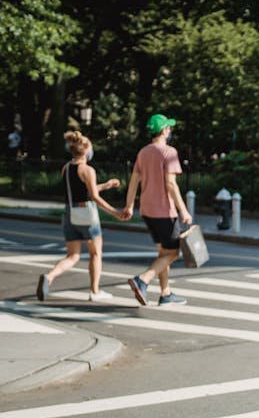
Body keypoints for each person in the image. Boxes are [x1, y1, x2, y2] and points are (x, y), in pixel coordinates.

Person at [36, 131, 126, 302]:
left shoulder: (66, 168)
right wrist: (115, 212)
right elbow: (93, 196)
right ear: (85, 150)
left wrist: (106, 185)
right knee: (95, 254)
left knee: (72, 256)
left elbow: (81, 191)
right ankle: (95, 291)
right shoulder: (87, 170)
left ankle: (49, 277)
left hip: (69, 213)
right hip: (86, 213)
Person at [122, 113, 192, 307]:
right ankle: (143, 280)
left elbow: (134, 181)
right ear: (163, 130)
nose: (170, 131)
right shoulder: (169, 152)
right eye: (169, 128)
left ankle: (165, 293)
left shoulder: (143, 152)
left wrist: (129, 205)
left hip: (147, 210)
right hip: (164, 211)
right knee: (173, 253)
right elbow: (171, 184)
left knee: (163, 253)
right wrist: (184, 210)